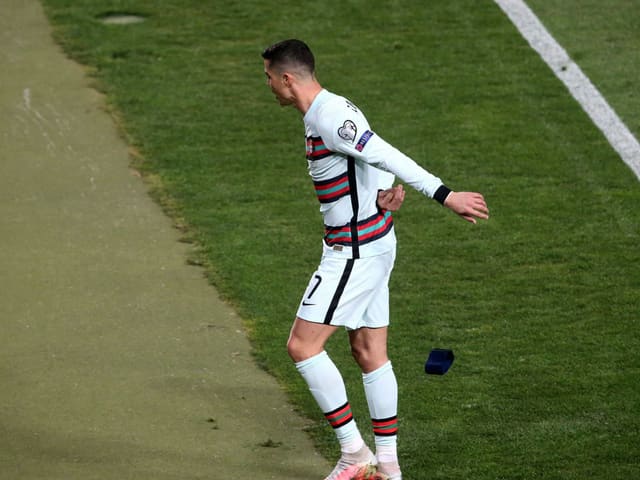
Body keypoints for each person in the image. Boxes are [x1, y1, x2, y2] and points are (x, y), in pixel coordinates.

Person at [261, 39, 489, 480]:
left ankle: (354, 453)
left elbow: (384, 152)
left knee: (302, 346)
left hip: (354, 251)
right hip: (373, 240)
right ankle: (388, 466)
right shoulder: (333, 108)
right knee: (368, 351)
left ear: (287, 78)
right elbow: (371, 153)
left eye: (270, 77)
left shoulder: (330, 117)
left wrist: (446, 195)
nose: (268, 85)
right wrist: (385, 191)